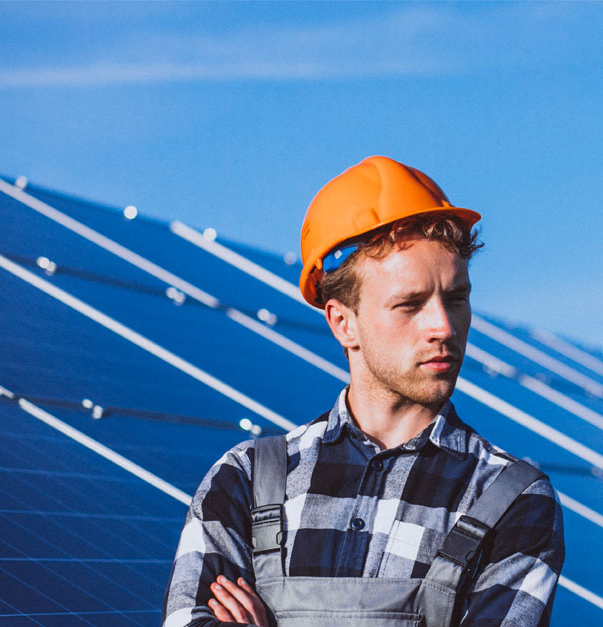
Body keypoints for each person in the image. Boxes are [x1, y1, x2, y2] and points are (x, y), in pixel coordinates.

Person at [161, 156, 565, 627]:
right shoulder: (244, 481)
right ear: (343, 323)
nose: (443, 326)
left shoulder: (509, 497)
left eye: (456, 299)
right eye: (409, 304)